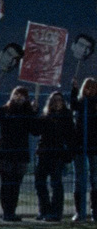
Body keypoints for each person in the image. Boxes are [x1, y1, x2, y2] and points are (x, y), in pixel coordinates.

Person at [0, 79, 38, 222]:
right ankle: (7, 212)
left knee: (15, 185)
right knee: (6, 184)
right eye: (16, 94)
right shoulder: (5, 111)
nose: (19, 97)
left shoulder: (27, 114)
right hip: (5, 153)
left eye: (22, 95)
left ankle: (11, 212)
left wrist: (35, 112)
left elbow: (35, 131)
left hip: (21, 154)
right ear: (12, 96)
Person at [35, 91, 75, 221]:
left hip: (57, 154)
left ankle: (56, 212)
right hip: (43, 152)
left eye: (60, 100)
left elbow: (70, 136)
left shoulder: (66, 117)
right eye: (55, 100)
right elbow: (35, 130)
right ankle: (44, 209)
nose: (57, 103)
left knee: (56, 183)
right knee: (40, 183)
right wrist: (34, 112)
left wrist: (69, 154)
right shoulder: (46, 116)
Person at [71, 77, 97, 222]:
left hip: (94, 146)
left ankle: (95, 211)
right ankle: (79, 212)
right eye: (88, 87)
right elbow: (74, 104)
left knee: (95, 178)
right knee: (80, 179)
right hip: (80, 145)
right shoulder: (81, 103)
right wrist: (73, 89)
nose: (90, 90)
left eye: (93, 88)